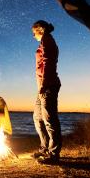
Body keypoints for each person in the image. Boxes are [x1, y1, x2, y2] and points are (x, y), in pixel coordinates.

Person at [31, 20, 62, 164]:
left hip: (48, 85)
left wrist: (43, 85)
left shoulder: (47, 40)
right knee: (37, 118)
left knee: (49, 119)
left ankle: (54, 154)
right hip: (42, 87)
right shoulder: (44, 41)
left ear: (40, 29)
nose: (33, 36)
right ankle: (44, 148)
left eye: (34, 32)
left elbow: (48, 63)